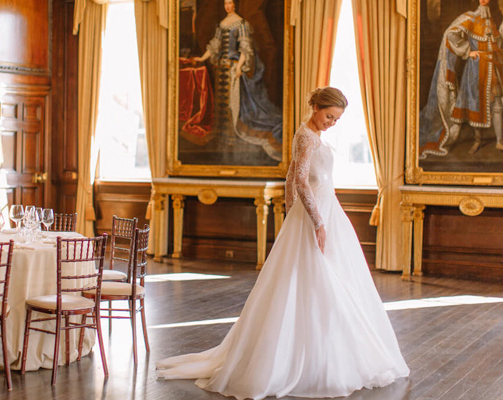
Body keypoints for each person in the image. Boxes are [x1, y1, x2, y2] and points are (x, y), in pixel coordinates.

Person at [157, 87, 410, 399]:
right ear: (315, 107)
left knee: (334, 278)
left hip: (325, 210)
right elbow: (300, 179)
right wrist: (314, 220)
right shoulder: (306, 135)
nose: (332, 122)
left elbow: (293, 177)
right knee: (315, 279)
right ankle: (308, 358)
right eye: (329, 115)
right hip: (318, 214)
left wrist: (295, 211)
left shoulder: (312, 135)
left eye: (337, 119)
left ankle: (331, 349)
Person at [419, 0, 503, 158]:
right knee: (475, 104)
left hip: (495, 68)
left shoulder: (499, 20)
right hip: (475, 69)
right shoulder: (470, 18)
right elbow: (450, 34)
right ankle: (477, 140)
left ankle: (500, 141)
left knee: (498, 104)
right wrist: (468, 51)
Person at [190, 0, 283, 161]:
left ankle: (234, 137)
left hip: (233, 70)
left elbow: (245, 49)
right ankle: (223, 138)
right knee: (222, 104)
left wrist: (239, 67)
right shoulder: (222, 25)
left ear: (234, 5)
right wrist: (201, 58)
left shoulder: (241, 24)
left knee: (234, 104)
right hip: (221, 70)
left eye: (230, 3)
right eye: (225, 3)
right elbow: (214, 47)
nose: (227, 6)